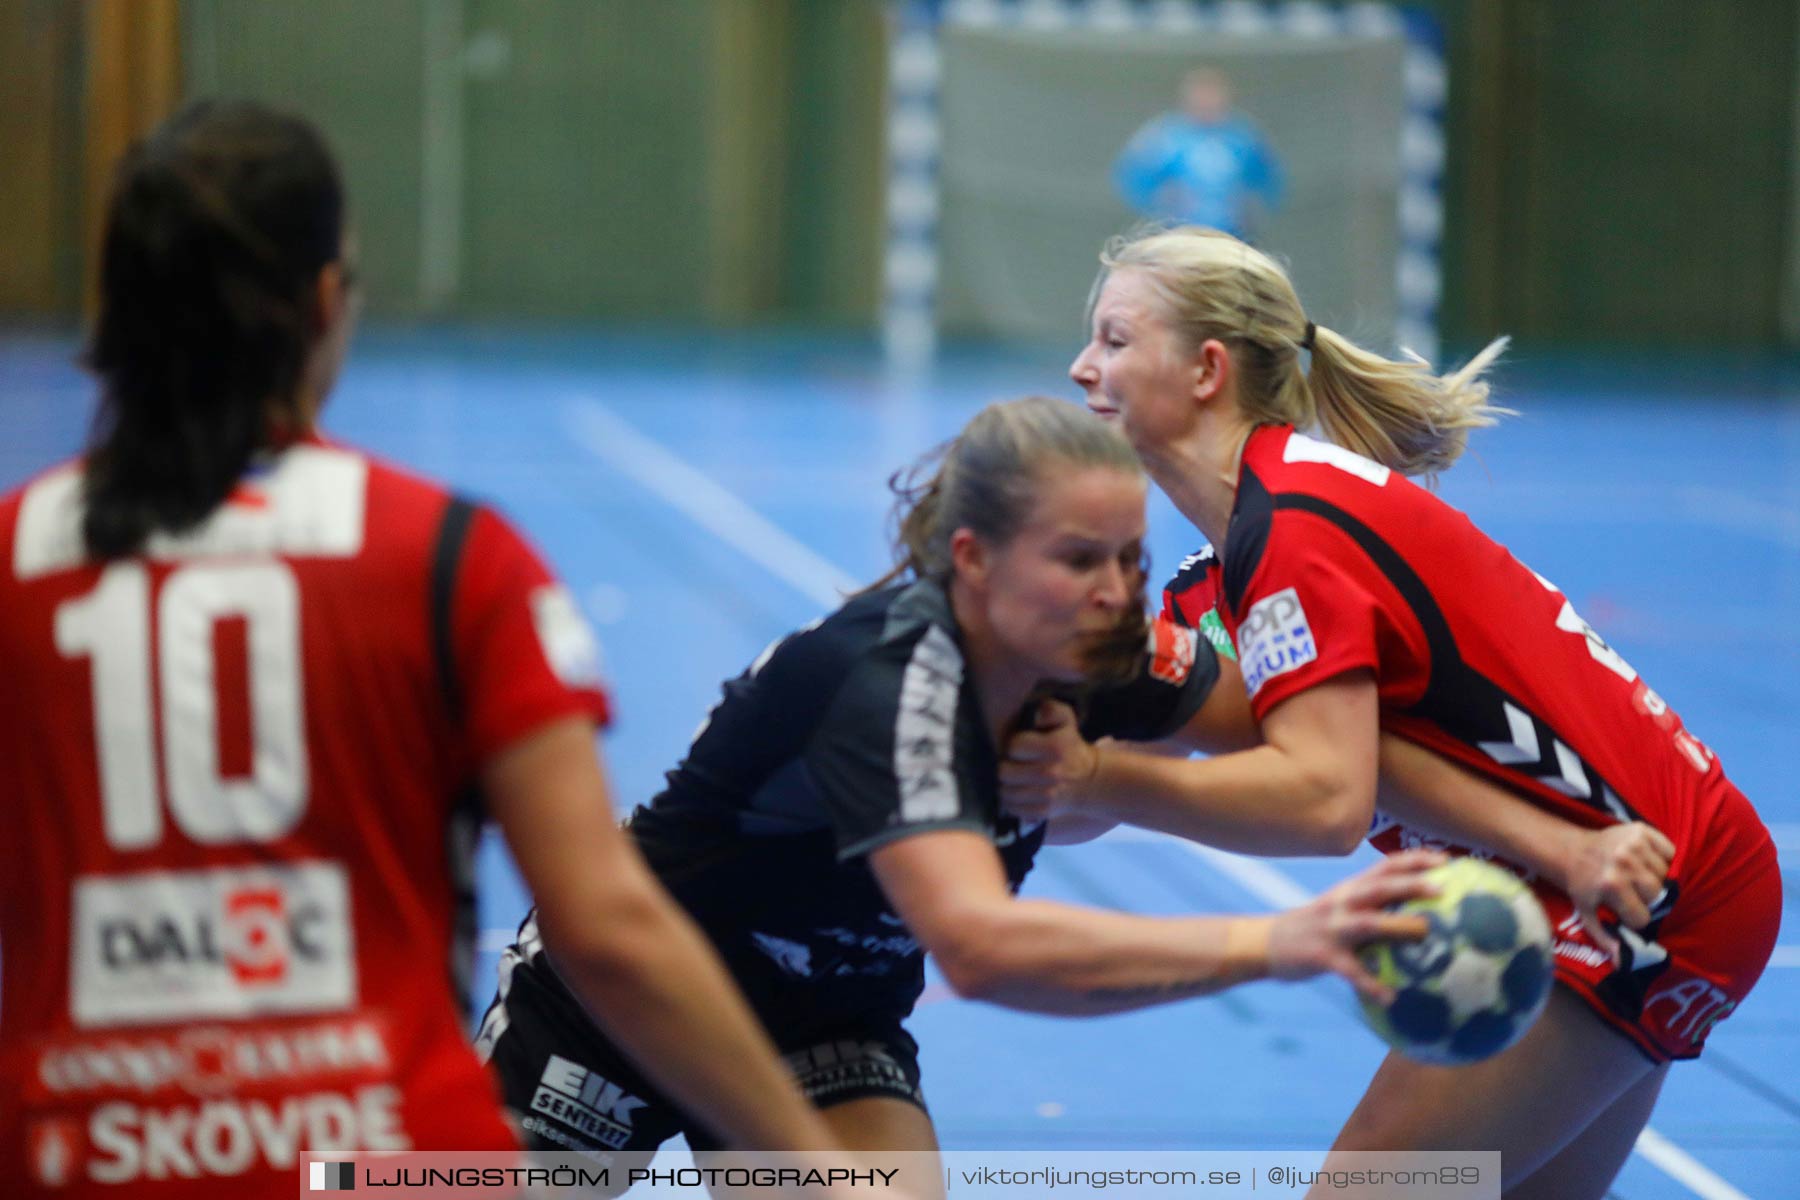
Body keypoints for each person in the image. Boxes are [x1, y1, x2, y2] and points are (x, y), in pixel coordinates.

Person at [0, 100, 870, 1198]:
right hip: (369, 1143)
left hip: (76, 1151)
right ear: (326, 302)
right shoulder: (450, 558)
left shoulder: (17, 558)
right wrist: (810, 1164)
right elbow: (604, 925)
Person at [476, 395, 1447, 1189]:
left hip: (825, 1024)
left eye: (1130, 558)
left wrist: (1562, 844)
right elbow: (980, 948)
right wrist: (1275, 942)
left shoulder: (1101, 650)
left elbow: (1311, 733)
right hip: (623, 998)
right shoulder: (884, 682)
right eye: (1078, 559)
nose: (1115, 590)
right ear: (972, 559)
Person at [1006, 224, 1781, 1198]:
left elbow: (1327, 801)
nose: (1082, 367)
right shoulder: (1213, 584)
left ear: (1206, 369)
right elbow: (1102, 801)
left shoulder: (1294, 530)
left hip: (1644, 881)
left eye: (1115, 340)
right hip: (1608, 873)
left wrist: (1094, 773)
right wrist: (993, 779)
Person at [1112, 68, 1283, 243]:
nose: (1206, 101)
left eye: (1212, 95)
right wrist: (1160, 201)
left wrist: (1250, 209)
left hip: (1232, 237)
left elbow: (1269, 178)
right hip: (1178, 236)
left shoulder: (1244, 137)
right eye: (1200, 95)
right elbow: (1133, 176)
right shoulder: (1163, 136)